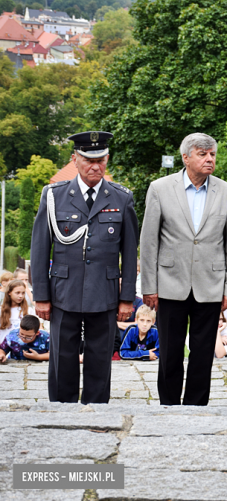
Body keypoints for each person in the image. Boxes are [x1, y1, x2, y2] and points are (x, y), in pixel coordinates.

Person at [30, 131, 138, 404]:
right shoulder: (54, 196)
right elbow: (41, 249)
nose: (95, 166)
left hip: (104, 292)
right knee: (62, 356)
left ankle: (97, 413)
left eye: (101, 160)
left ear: (107, 159)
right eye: (88, 160)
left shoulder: (121, 198)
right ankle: (61, 410)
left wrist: (127, 299)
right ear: (75, 159)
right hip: (64, 290)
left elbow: (129, 252)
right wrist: (41, 296)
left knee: (100, 357)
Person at [141, 132, 227, 406]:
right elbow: (148, 242)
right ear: (185, 158)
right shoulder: (160, 188)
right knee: (170, 352)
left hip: (210, 285)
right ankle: (169, 405)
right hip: (169, 283)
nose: (209, 159)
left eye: (212, 154)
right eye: (202, 154)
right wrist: (149, 287)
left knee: (202, 351)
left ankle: (197, 406)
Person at [0, 279, 35, 344]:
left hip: (21, 349)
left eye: (23, 293)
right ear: (9, 293)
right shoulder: (1, 310)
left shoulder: (28, 311)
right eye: (17, 293)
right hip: (3, 349)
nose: (20, 296)